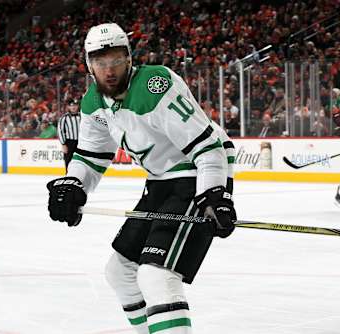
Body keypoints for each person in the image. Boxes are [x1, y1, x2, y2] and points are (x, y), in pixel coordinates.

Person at [46, 23, 236, 334]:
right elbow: (91, 155)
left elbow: (208, 148)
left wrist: (215, 193)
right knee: (120, 272)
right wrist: (74, 184)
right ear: (88, 65)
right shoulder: (94, 101)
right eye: (100, 63)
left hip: (197, 172)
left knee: (157, 276)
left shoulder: (154, 86)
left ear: (130, 58)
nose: (109, 70)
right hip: (161, 180)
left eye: (117, 60)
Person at [57, 98, 81, 171]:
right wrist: (63, 144)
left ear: (78, 106)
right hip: (69, 142)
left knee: (81, 161)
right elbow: (60, 131)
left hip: (81, 142)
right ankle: (69, 176)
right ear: (68, 107)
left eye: (75, 105)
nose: (73, 107)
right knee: (68, 160)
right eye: (71, 105)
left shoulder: (82, 116)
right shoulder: (64, 117)